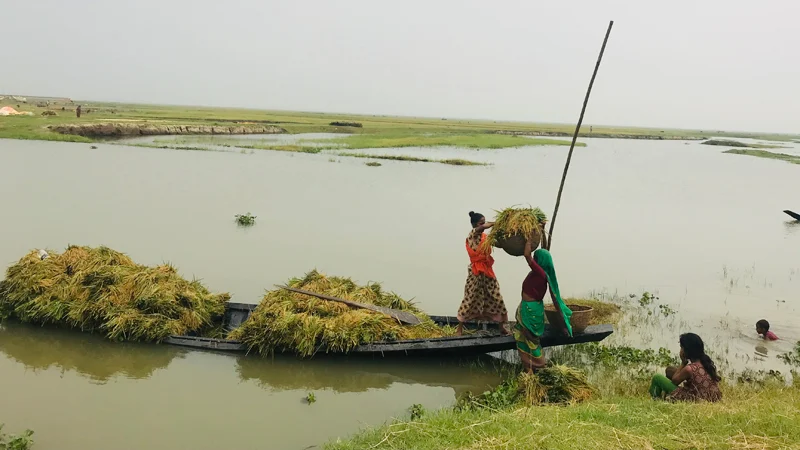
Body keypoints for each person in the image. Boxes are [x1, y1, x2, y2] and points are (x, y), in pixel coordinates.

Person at [513, 231, 573, 372]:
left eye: (536, 257)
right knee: (525, 337)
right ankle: (528, 369)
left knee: (530, 338)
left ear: (539, 261)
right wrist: (542, 230)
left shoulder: (540, 273)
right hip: (529, 308)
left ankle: (539, 364)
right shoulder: (541, 270)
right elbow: (545, 249)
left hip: (530, 310)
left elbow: (527, 255)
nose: (534, 258)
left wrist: (528, 237)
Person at [457, 211, 508, 336]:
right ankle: (459, 329)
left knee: (496, 298)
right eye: (481, 223)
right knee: (469, 299)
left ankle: (502, 327)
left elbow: (497, 243)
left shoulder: (485, 238)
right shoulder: (472, 235)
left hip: (487, 272)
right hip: (475, 273)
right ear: (475, 224)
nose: (484, 225)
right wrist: (495, 223)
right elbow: (482, 228)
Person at [649, 333, 722, 402]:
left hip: (693, 399)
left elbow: (675, 381)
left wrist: (683, 363)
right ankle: (665, 397)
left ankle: (656, 400)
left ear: (687, 350)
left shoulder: (689, 369)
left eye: (682, 347)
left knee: (657, 378)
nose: (681, 350)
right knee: (670, 370)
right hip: (709, 399)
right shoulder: (705, 364)